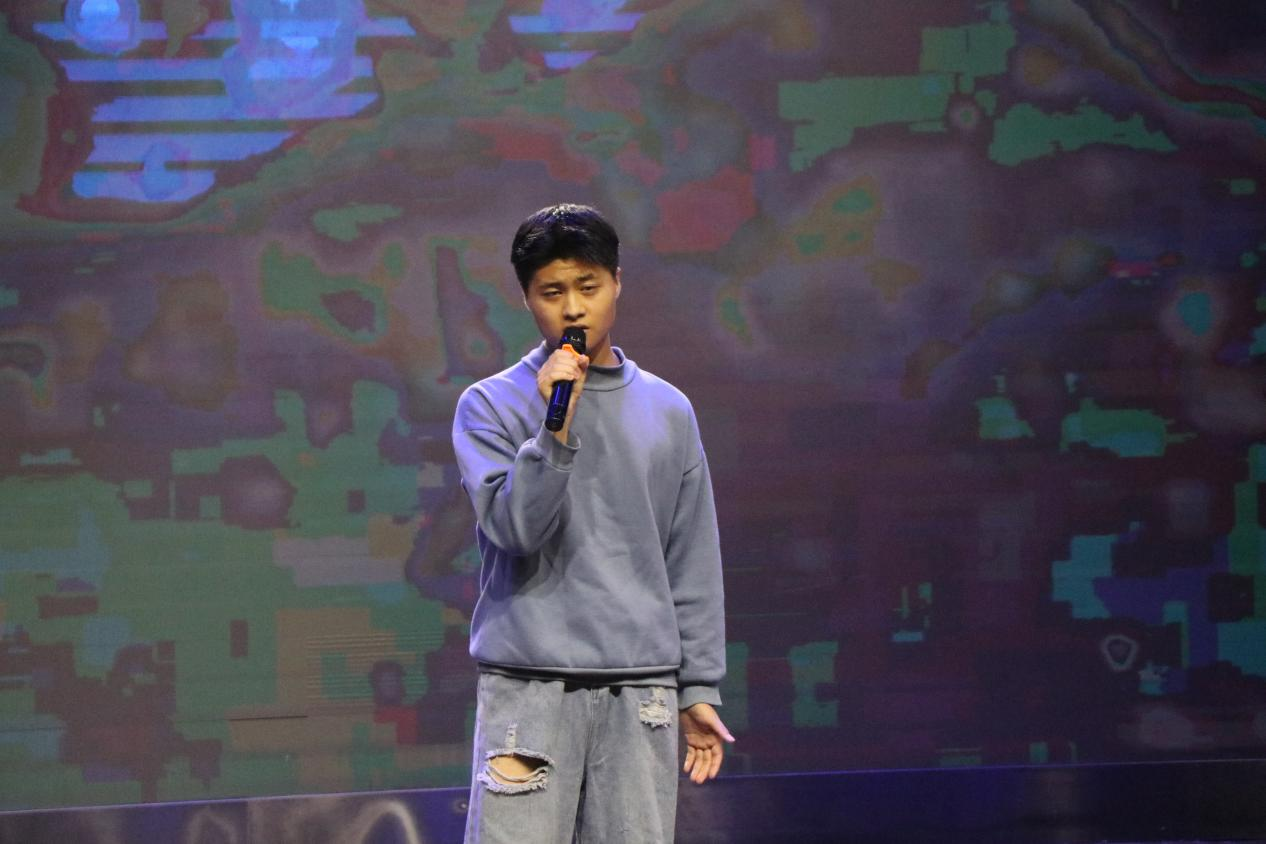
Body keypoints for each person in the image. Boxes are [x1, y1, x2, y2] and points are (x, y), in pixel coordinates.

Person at [451, 203, 733, 843]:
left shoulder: (669, 409)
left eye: (588, 286)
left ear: (617, 283)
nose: (574, 309)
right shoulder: (490, 405)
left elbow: (691, 556)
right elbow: (516, 531)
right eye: (552, 293)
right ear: (527, 299)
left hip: (641, 690)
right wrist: (553, 427)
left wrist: (699, 688)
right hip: (530, 686)